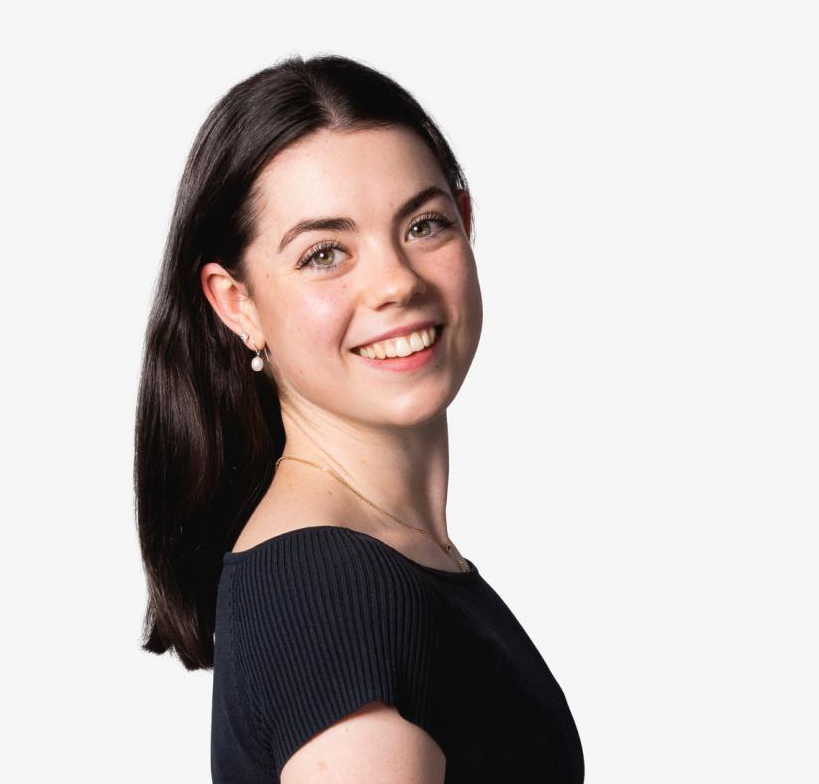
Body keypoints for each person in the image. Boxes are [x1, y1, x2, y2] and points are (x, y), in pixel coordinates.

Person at [133, 54, 584, 783]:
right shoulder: (334, 593)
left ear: (467, 224)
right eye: (325, 254)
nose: (396, 283)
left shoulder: (389, 564)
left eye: (424, 225)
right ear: (235, 303)